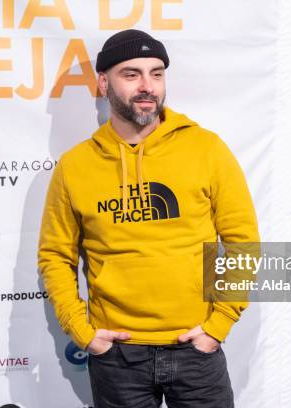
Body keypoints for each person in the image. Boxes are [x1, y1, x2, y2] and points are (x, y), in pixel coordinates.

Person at [38, 29, 260, 408]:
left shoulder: (206, 149)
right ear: (103, 82)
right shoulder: (75, 166)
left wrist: (217, 326)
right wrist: (83, 331)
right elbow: (55, 257)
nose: (147, 86)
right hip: (117, 358)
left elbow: (244, 244)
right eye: (132, 74)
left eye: (156, 74)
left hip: (195, 351)